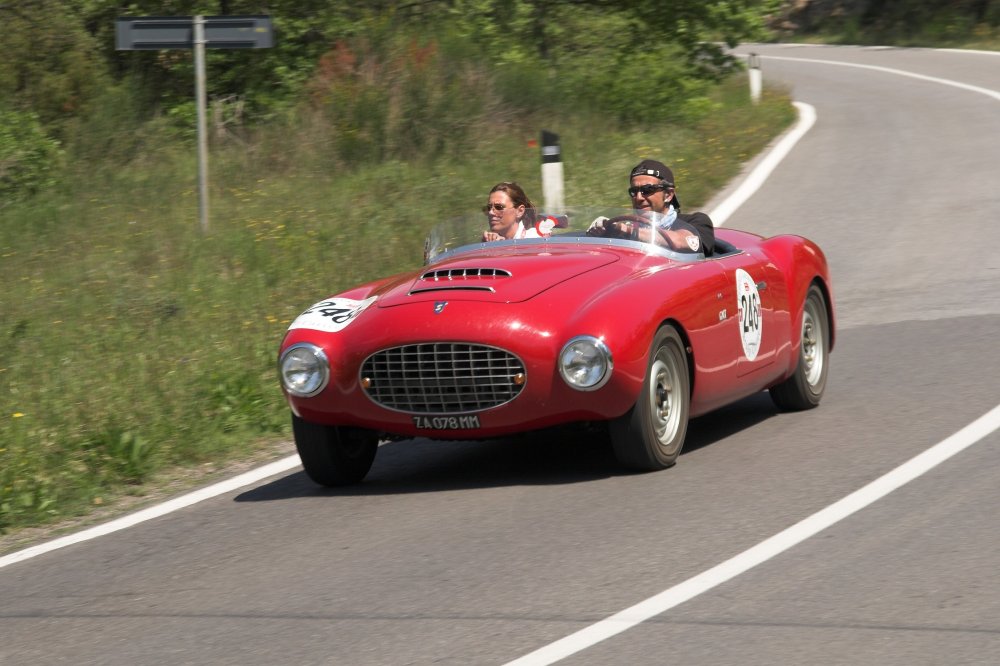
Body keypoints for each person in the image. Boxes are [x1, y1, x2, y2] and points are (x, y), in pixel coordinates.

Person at [589, 159, 715, 256]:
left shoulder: (697, 222)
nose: (638, 197)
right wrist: (601, 230)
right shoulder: (626, 226)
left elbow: (680, 240)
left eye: (647, 190)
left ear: (668, 195)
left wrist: (627, 230)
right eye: (634, 191)